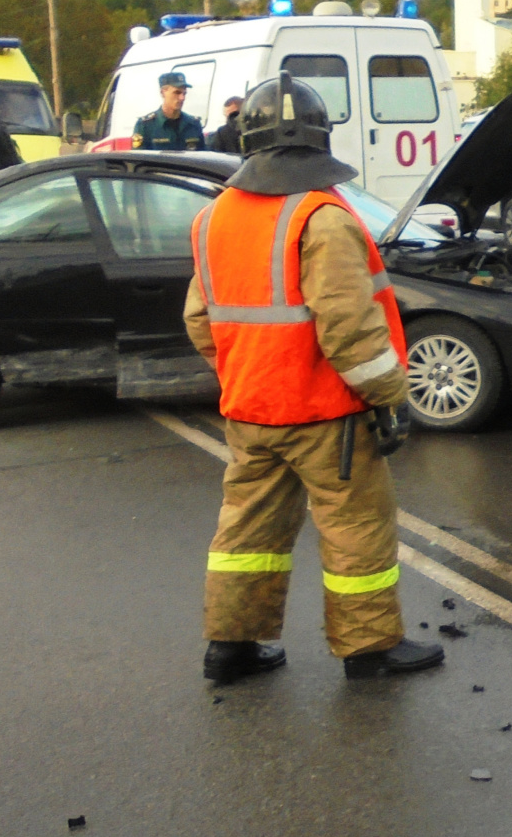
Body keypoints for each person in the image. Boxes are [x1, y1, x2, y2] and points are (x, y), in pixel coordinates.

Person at [185, 72, 444, 683]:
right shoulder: (323, 218)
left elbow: (201, 320)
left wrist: (245, 373)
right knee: (355, 528)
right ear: (321, 140)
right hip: (327, 416)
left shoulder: (214, 218)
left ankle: (232, 649)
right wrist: (390, 399)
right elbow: (350, 330)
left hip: (249, 411)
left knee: (246, 529)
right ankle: (369, 649)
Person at [133, 71, 206, 151]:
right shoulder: (146, 125)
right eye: (177, 93)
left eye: (184, 93)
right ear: (162, 93)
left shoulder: (193, 124)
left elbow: (203, 158)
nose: (182, 98)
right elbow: (138, 161)